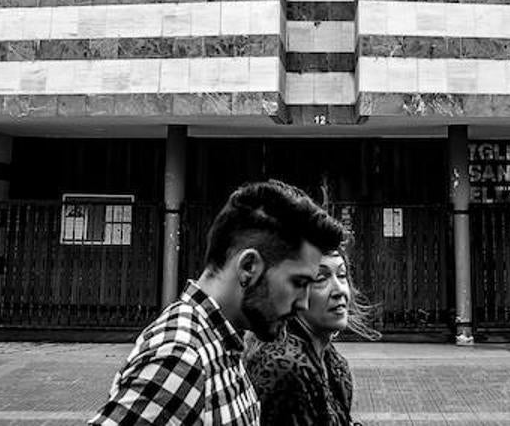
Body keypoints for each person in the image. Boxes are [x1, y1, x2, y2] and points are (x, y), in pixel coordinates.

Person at [91, 180, 347, 426]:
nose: (303, 303)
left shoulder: (222, 343)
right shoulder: (181, 356)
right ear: (249, 267)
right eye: (298, 283)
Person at [246, 249, 379, 426]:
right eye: (320, 279)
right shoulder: (285, 368)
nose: (339, 290)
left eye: (341, 275)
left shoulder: (329, 357)